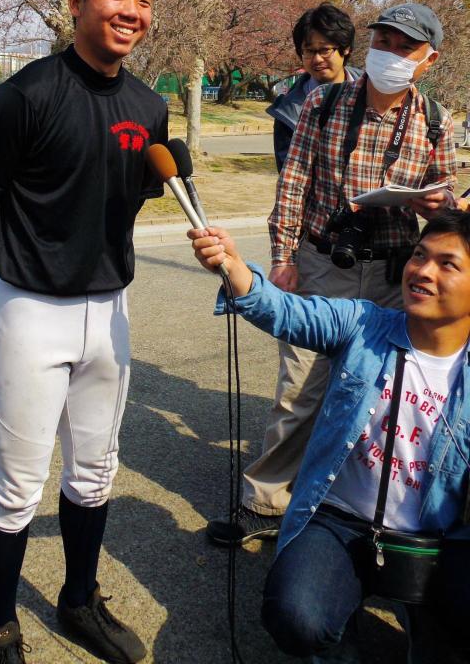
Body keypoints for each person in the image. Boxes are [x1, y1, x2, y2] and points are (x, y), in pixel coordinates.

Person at [0, 0, 168, 664]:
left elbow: (127, 193)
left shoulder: (150, 104)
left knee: (95, 473)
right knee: (16, 487)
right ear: (76, 2)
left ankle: (79, 600)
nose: (131, 12)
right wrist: (25, 271)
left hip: (110, 311)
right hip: (30, 311)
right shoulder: (23, 96)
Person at [208, 3, 458, 548]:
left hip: (396, 276)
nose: (388, 54)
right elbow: (292, 185)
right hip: (324, 262)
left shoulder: (437, 121)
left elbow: (447, 219)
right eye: (382, 41)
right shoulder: (322, 104)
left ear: (428, 58)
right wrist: (283, 257)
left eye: (403, 46)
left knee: (380, 390)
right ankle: (265, 501)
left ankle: (356, 502)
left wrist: (438, 204)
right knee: (300, 387)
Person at [188, 213, 470, 663]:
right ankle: (338, 639)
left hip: (434, 538)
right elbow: (285, 311)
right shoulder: (364, 325)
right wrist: (235, 266)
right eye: (419, 255)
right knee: (298, 617)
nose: (423, 271)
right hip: (340, 521)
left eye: (447, 264)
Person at [267, 3, 361, 172]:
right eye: (309, 51)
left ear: (346, 48)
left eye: (325, 50)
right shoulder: (288, 111)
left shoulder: (373, 93)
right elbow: (290, 173)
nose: (317, 59)